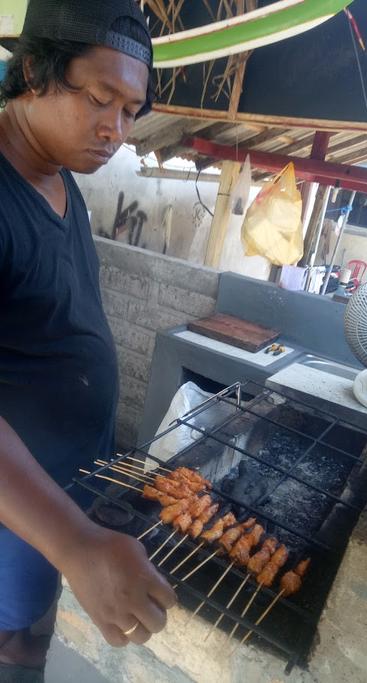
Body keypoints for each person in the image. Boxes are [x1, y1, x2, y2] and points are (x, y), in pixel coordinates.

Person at [0, 1, 176, 681]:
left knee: (31, 638)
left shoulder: (58, 176)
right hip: (19, 521)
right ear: (35, 71)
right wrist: (73, 539)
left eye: (131, 110)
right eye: (101, 97)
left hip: (58, 498)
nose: (116, 129)